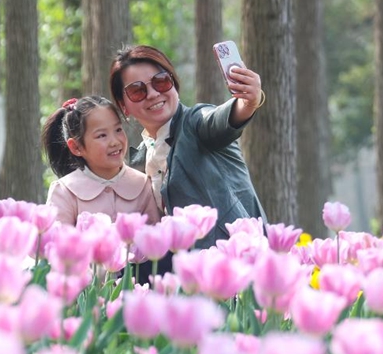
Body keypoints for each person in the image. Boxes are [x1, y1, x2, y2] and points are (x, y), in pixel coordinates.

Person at [109, 45, 267, 249]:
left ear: (173, 83)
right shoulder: (141, 159)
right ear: (124, 106)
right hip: (184, 266)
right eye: (137, 91)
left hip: (240, 258)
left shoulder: (196, 123)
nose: (153, 94)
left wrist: (248, 103)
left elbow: (219, 120)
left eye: (161, 81)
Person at [42, 96, 160, 227]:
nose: (114, 142)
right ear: (76, 147)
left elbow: (155, 234)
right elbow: (58, 238)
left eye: (118, 130)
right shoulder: (64, 191)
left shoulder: (142, 184)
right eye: (102, 135)